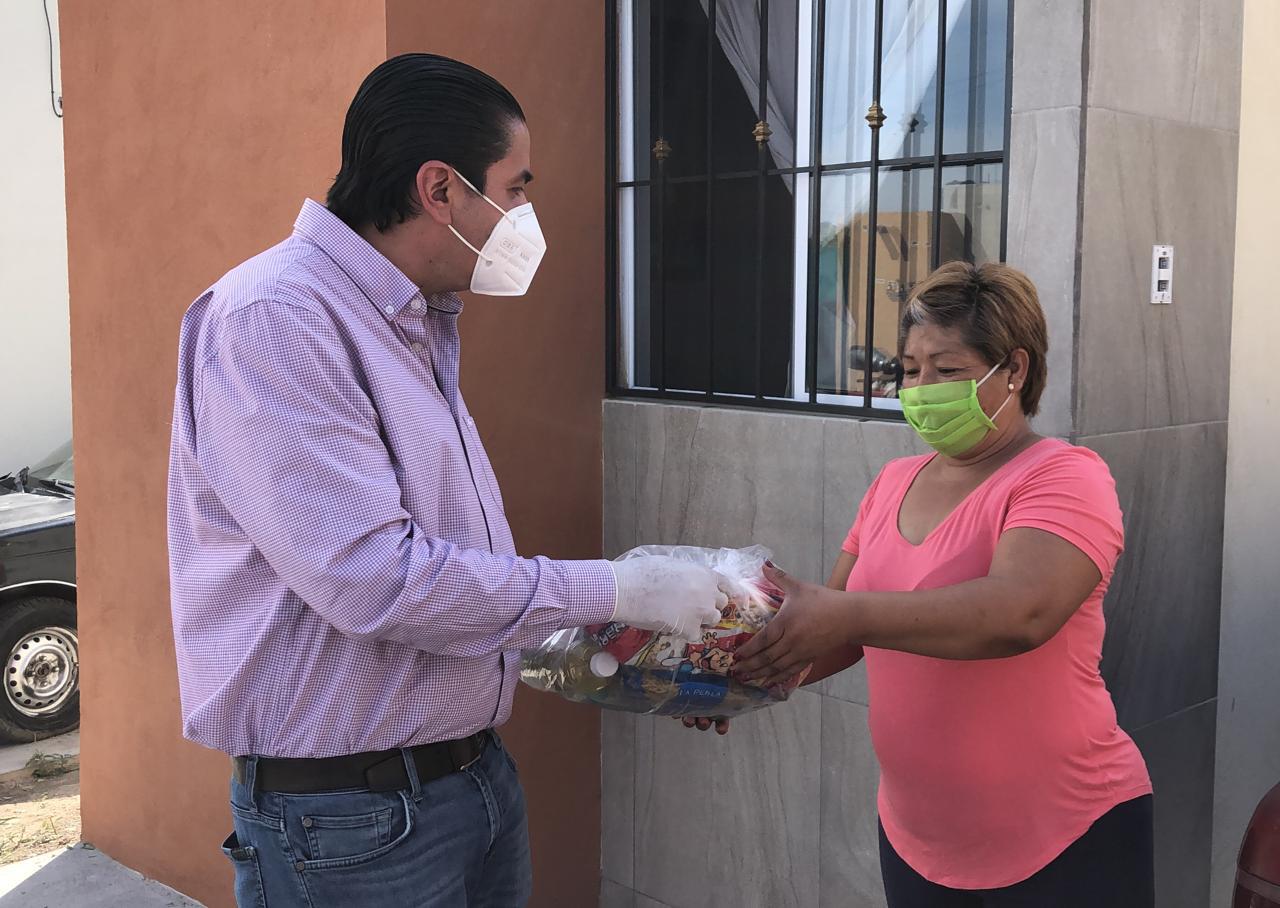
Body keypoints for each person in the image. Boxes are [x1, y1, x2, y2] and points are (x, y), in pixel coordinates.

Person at [167, 53, 724, 908]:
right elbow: (376, 581)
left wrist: (640, 657)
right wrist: (618, 588)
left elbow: (451, 574)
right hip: (351, 821)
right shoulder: (278, 319)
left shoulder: (409, 321)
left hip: (467, 781)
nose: (526, 214)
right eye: (515, 187)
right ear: (440, 189)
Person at [718, 262, 1154, 906]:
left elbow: (1020, 613)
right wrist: (727, 679)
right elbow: (834, 633)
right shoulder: (893, 482)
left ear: (1015, 369)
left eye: (947, 369)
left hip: (1065, 834)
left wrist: (843, 614)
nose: (922, 388)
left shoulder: (1063, 476)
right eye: (910, 369)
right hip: (917, 839)